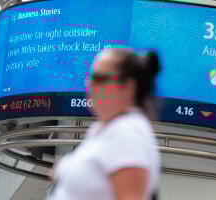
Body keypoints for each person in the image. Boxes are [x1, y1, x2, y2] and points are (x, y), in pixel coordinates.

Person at [47, 48, 161, 200]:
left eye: (99, 78)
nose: (90, 84)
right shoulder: (103, 130)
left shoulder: (128, 133)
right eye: (89, 77)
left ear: (128, 87)